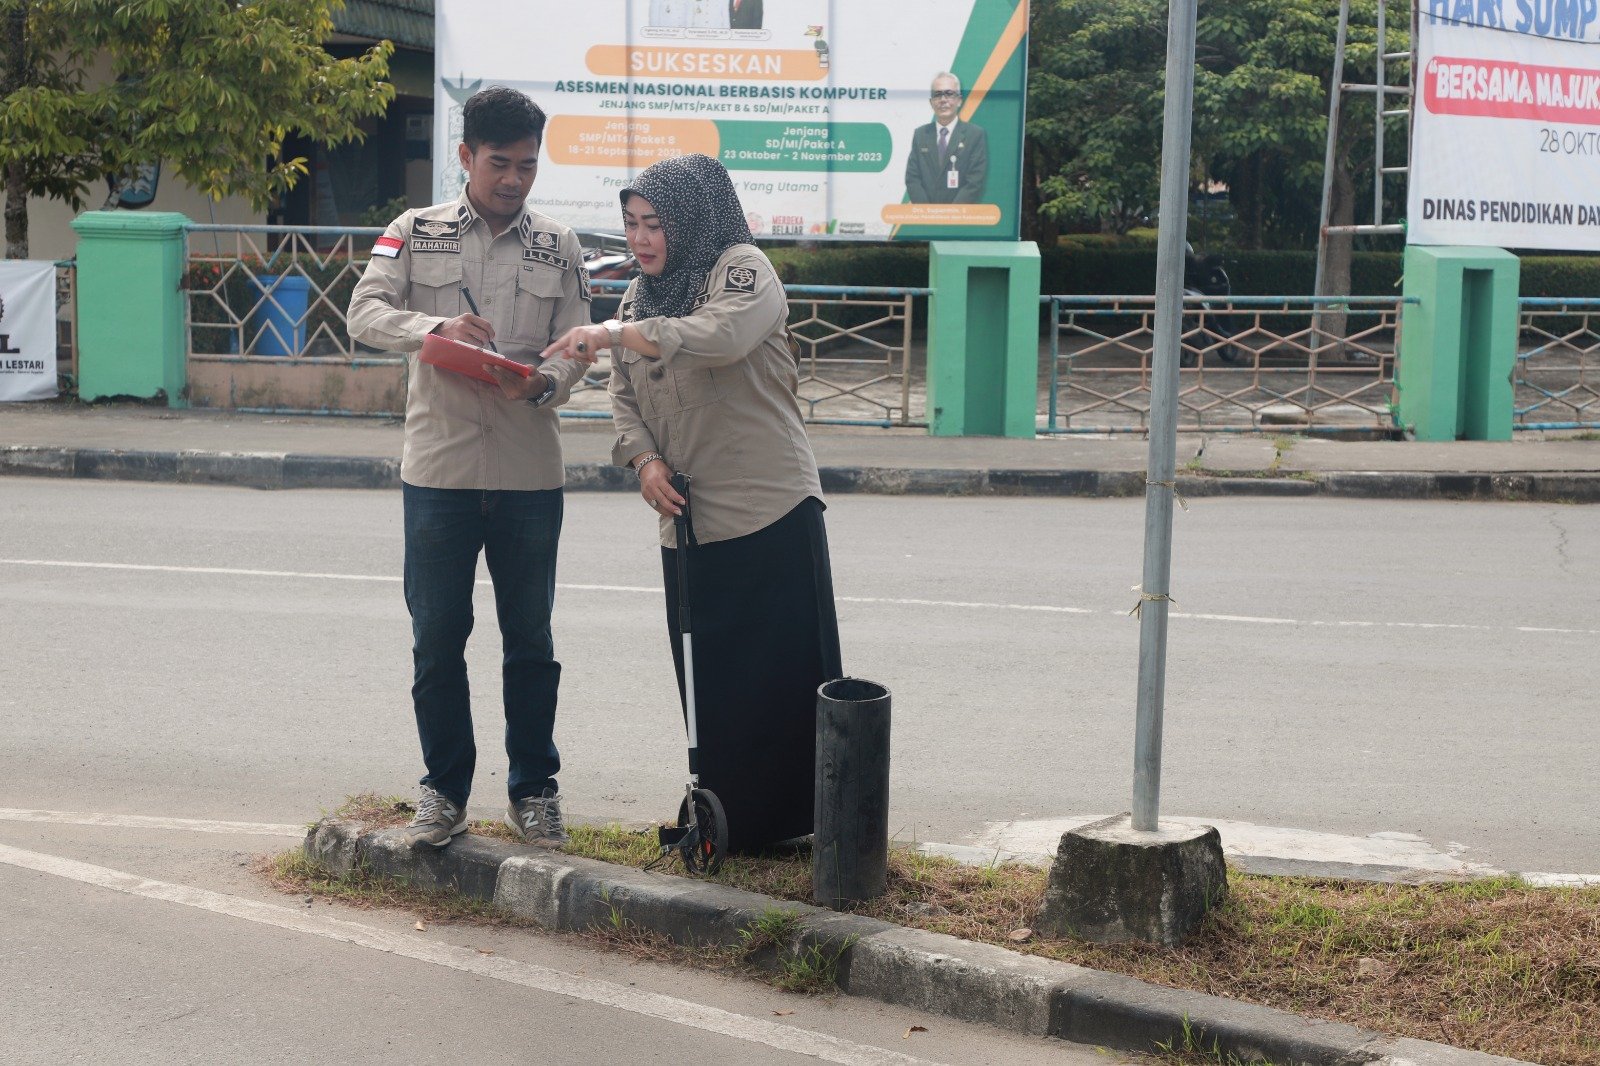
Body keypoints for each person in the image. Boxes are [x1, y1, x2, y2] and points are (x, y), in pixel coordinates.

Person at [542, 154, 843, 853]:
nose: (641, 239)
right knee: (711, 676)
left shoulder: (741, 269)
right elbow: (623, 397)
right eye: (631, 224)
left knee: (781, 673)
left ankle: (803, 819)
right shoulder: (636, 299)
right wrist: (643, 460)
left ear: (691, 220)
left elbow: (721, 336)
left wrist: (613, 334)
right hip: (687, 517)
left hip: (767, 506)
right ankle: (730, 816)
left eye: (656, 224)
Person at [348, 87, 597, 849]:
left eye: (528, 165)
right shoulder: (413, 231)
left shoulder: (559, 245)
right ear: (465, 157)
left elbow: (578, 345)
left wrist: (544, 382)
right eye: (499, 163)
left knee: (531, 642)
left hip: (529, 472)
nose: (514, 179)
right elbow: (363, 313)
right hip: (439, 472)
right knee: (437, 639)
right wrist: (436, 328)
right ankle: (444, 791)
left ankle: (534, 791)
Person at [903, 72, 989, 205]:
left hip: (960, 215)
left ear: (959, 100)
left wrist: (951, 213)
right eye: (937, 95)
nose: (943, 99)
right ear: (931, 102)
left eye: (949, 94)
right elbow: (912, 178)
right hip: (926, 215)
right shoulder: (920, 134)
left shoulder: (975, 135)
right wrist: (927, 212)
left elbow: (975, 181)